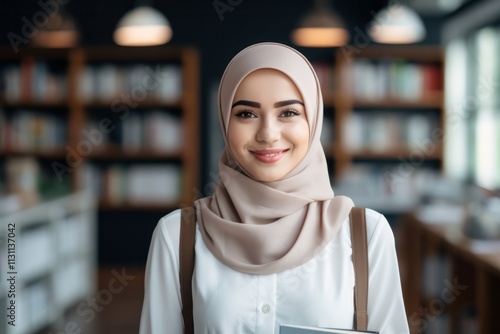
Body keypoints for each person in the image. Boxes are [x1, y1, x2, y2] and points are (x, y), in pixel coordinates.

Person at [139, 42, 409, 334]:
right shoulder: (177, 236)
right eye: (246, 114)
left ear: (314, 120)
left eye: (289, 112)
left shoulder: (366, 234)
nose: (268, 133)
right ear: (224, 122)